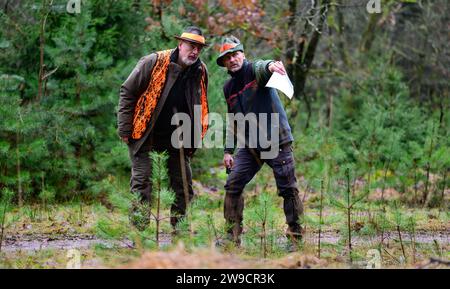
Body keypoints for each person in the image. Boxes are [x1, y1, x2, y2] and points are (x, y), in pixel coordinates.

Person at [117, 26, 209, 232]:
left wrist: (195, 139)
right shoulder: (154, 62)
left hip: (179, 139)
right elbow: (127, 91)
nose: (194, 51)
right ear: (180, 44)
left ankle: (181, 233)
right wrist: (124, 128)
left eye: (199, 48)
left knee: (184, 187)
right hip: (145, 135)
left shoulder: (200, 71)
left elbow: (201, 104)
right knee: (141, 185)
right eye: (191, 46)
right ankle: (139, 236)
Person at [217, 35, 303, 249]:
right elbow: (233, 120)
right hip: (250, 146)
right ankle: (232, 237)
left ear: (243, 54)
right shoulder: (228, 88)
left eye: (235, 54)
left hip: (277, 141)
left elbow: (264, 66)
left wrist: (273, 66)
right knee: (232, 184)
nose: (232, 59)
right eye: (227, 57)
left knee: (288, 189)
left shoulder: (254, 71)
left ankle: (295, 237)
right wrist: (228, 151)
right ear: (224, 63)